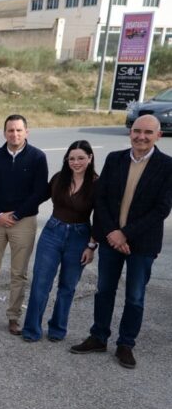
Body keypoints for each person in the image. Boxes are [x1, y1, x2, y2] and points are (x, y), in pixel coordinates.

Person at [71, 115, 172, 368]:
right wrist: (113, 233)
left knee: (135, 296)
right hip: (110, 239)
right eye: (137, 131)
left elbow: (162, 209)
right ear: (130, 133)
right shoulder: (114, 159)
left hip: (143, 243)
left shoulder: (167, 165)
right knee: (104, 290)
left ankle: (126, 343)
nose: (141, 136)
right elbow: (101, 200)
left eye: (148, 132)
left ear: (158, 136)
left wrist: (125, 234)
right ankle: (98, 336)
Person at [0, 114, 48, 336]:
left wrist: (17, 214)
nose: (14, 134)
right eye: (10, 130)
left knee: (18, 273)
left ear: (27, 132)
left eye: (19, 130)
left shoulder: (37, 157)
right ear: (4, 133)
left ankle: (14, 317)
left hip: (23, 222)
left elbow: (40, 191)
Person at [22, 141, 97, 343]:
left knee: (67, 286)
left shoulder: (97, 184)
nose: (76, 162)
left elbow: (100, 218)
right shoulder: (59, 179)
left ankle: (57, 328)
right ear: (66, 160)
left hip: (80, 236)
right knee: (41, 283)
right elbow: (38, 196)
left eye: (81, 158)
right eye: (71, 158)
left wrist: (91, 246)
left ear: (90, 158)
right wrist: (15, 210)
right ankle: (31, 329)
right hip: (53, 232)